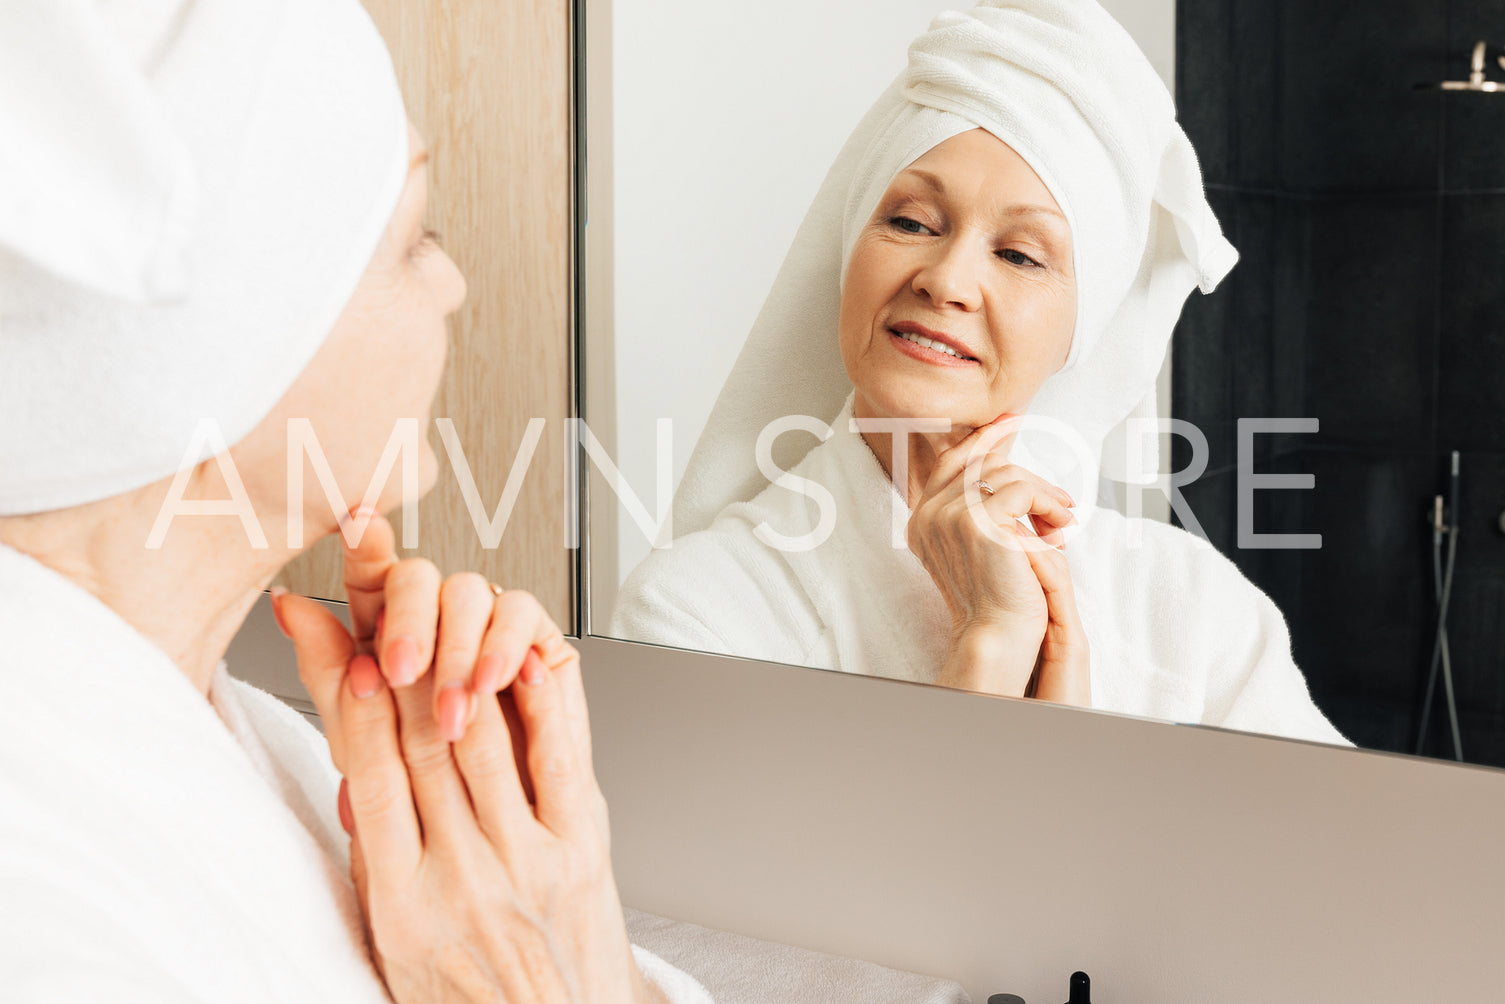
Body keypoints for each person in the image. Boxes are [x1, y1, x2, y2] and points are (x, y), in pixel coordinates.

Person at [0, 2, 709, 1001]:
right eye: (418, 238)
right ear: (224, 361)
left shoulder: (266, 747)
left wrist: (568, 917)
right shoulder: (41, 930)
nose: (454, 283)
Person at [611, 0, 1348, 747]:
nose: (946, 279)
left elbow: (1341, 855)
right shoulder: (699, 609)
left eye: (1020, 254)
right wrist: (988, 650)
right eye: (910, 223)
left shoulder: (1188, 609)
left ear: (1081, 327)